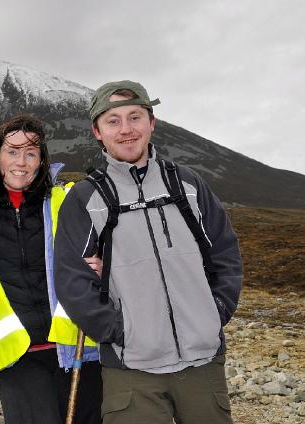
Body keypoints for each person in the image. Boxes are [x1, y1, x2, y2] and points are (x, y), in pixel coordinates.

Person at [54, 80, 243, 424]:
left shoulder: (187, 184)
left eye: (135, 117)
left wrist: (214, 311)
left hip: (202, 364)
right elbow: (72, 281)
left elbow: (225, 253)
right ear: (97, 131)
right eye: (113, 121)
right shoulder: (84, 199)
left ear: (151, 123)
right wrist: (119, 331)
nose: (126, 130)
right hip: (131, 369)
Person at [0, 113, 103, 423]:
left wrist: (103, 264)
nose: (21, 162)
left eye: (30, 153)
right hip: (16, 352)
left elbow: (106, 242)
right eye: (12, 151)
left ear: (41, 160)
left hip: (73, 344)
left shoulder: (63, 201)